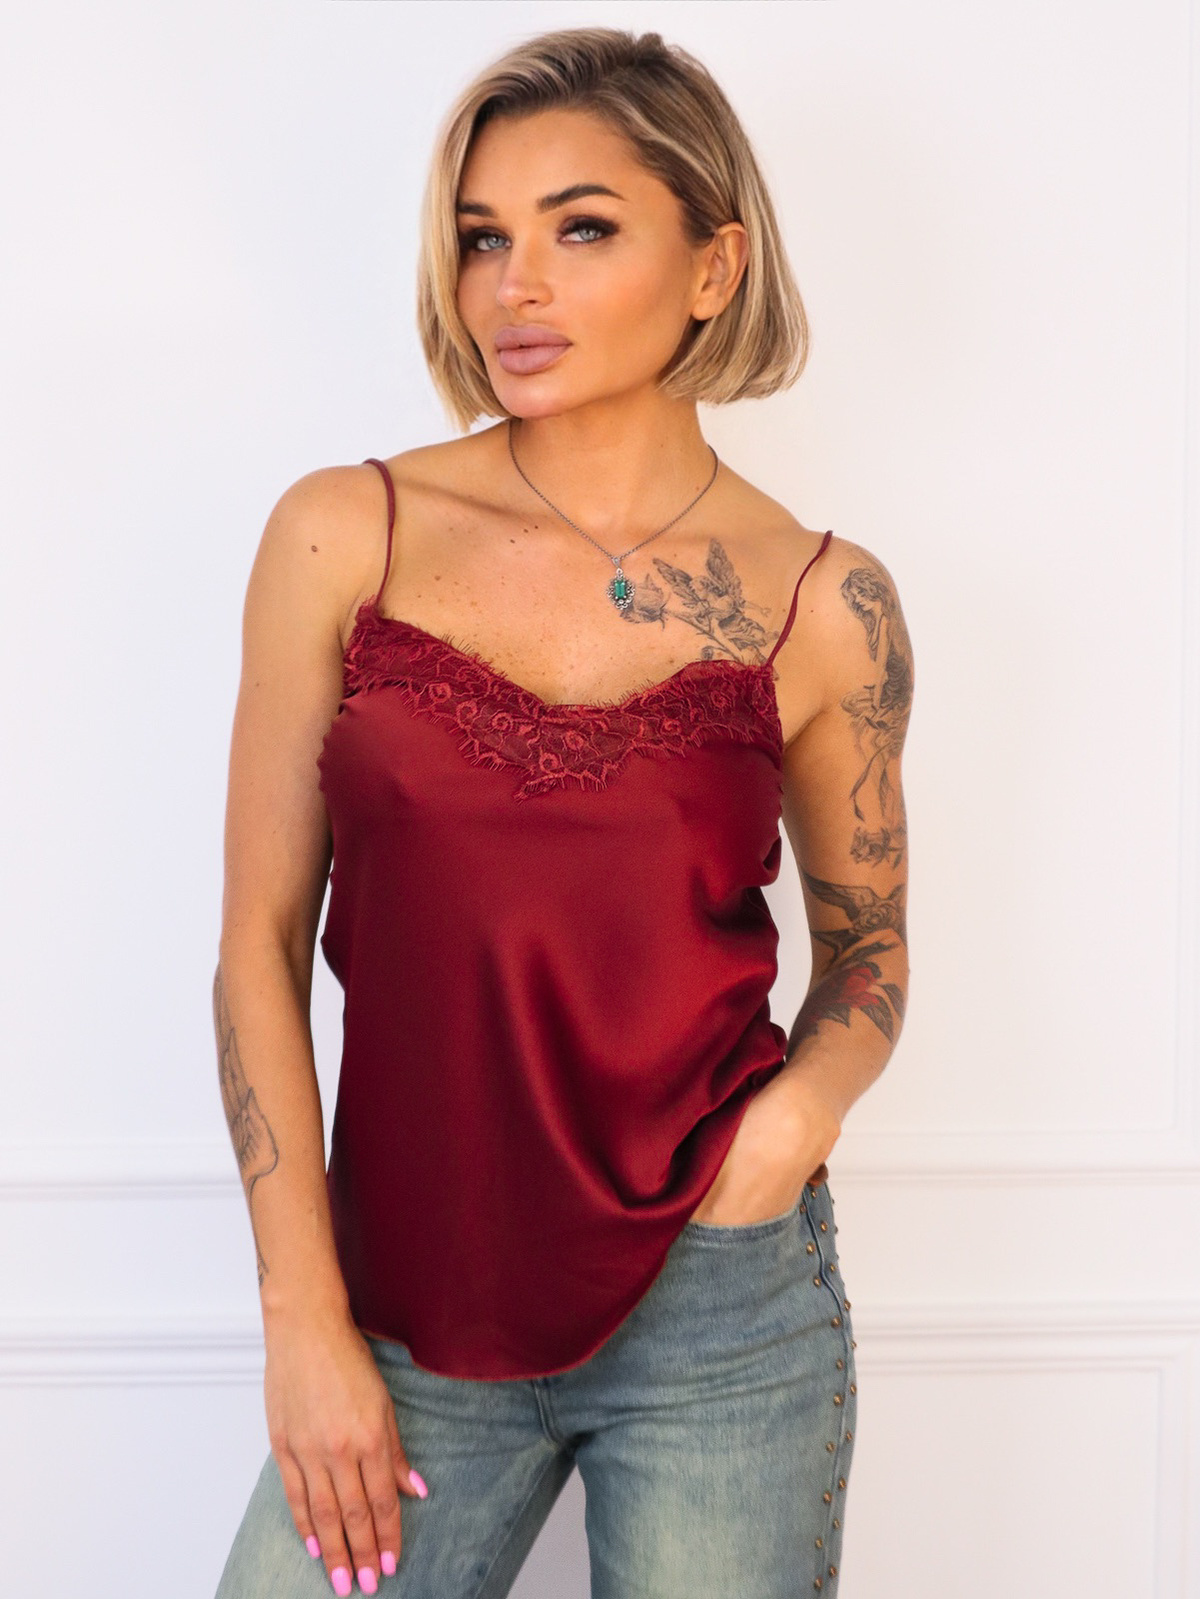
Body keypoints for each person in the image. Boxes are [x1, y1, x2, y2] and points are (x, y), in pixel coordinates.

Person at [212, 24, 912, 1599]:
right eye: (483, 238)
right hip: (405, 1306)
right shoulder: (346, 535)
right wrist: (304, 1323)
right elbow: (256, 944)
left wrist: (788, 1130)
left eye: (580, 229)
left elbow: (871, 951)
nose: (513, 287)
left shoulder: (826, 603)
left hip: (722, 1312)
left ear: (715, 265)